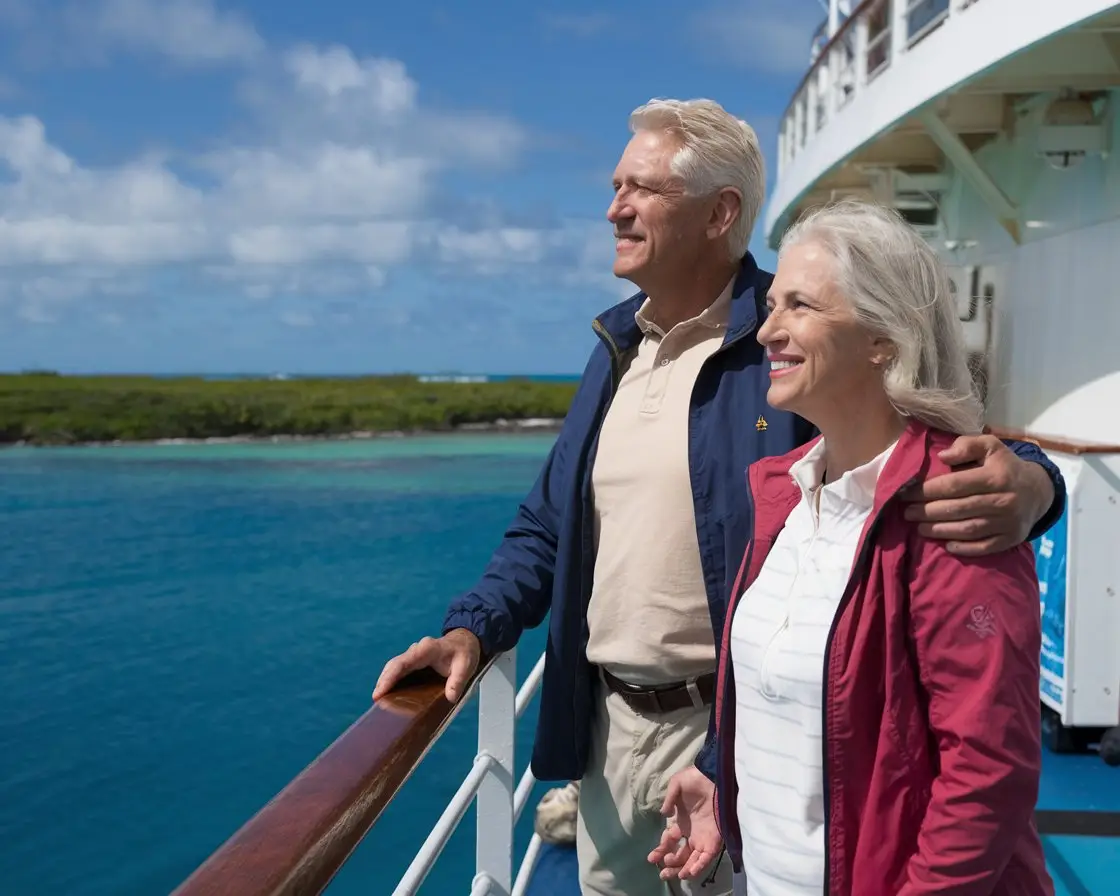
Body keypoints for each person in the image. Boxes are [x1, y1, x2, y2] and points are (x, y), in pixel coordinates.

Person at [372, 99, 1065, 896]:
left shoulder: (790, 351)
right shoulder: (617, 349)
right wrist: (474, 627)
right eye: (614, 185)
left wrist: (1032, 477)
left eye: (641, 188)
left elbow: (920, 438)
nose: (614, 208)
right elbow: (548, 524)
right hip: (608, 730)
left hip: (735, 731)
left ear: (719, 212)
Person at [650, 199, 1055, 895]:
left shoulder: (952, 507)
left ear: (882, 340)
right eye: (772, 305)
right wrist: (726, 785)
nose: (768, 330)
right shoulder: (784, 496)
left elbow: (986, 775)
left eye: (799, 307)